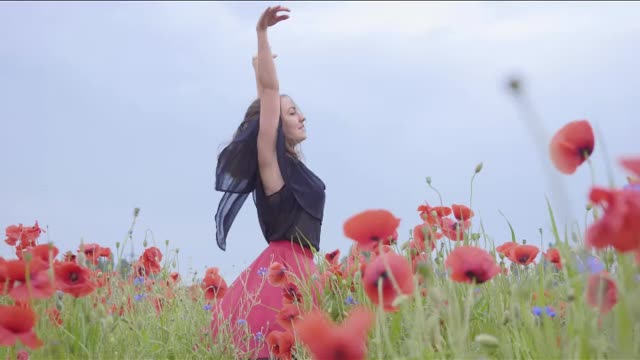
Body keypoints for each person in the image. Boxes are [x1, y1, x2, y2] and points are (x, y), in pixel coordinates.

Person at [211, 6, 326, 359]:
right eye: (292, 113)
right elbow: (270, 96)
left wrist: (258, 67)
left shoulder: (291, 166)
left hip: (304, 272)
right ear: (275, 125)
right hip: (282, 276)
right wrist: (262, 33)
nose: (302, 116)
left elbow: (267, 95)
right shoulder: (271, 164)